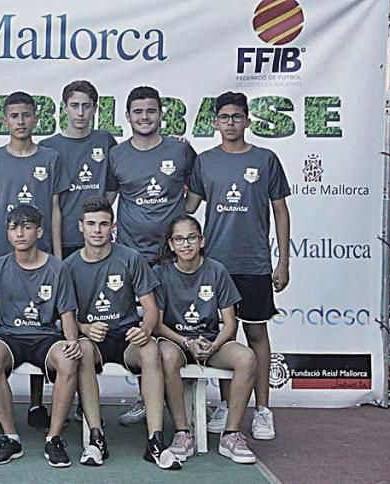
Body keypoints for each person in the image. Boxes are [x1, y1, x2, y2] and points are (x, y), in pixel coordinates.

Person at [186, 91, 290, 441]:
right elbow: (189, 206)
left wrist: (283, 262)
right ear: (215, 122)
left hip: (256, 264)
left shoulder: (266, 159)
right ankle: (228, 406)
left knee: (257, 335)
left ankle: (263, 410)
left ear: (246, 120)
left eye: (236, 117)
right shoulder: (204, 161)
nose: (230, 123)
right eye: (224, 117)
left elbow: (280, 211)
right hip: (216, 266)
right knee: (221, 336)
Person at [0, 91, 70, 429]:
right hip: (2, 253)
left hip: (40, 256)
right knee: (7, 327)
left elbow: (56, 210)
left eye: (26, 115)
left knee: (41, 324)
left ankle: (37, 404)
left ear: (36, 118)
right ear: (5, 121)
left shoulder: (51, 158)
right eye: (14, 116)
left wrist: (57, 256)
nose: (21, 122)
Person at [66, 196, 181, 470]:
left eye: (103, 224)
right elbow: (66, 317)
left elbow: (150, 308)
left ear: (112, 227)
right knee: (80, 349)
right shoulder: (68, 266)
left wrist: (145, 329)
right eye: (91, 224)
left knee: (151, 348)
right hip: (93, 340)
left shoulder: (130, 258)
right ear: (80, 226)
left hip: (127, 337)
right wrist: (84, 327)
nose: (97, 230)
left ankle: (155, 440)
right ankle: (96, 437)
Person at [105, 85, 196, 426]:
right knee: (142, 328)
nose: (145, 117)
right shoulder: (117, 155)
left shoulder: (181, 151)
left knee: (176, 324)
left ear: (161, 114)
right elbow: (110, 200)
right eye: (138, 112)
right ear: (128, 117)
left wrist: (177, 228)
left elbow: (195, 193)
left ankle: (184, 406)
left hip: (172, 259)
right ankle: (148, 399)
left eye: (151, 111)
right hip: (133, 257)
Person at [152, 215, 258, 464]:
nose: (186, 244)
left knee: (247, 357)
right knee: (165, 355)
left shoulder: (216, 270)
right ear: (171, 244)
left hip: (211, 342)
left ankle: (231, 434)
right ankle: (182, 433)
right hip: (177, 342)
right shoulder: (161, 272)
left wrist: (213, 345)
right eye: (179, 239)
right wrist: (186, 342)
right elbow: (156, 324)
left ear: (202, 241)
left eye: (191, 237)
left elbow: (230, 322)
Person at [0, 205, 81, 468]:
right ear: (7, 233)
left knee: (69, 360)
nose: (20, 234)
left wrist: (72, 341)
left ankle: (54, 438)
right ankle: (10, 437)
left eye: (26, 227)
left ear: (38, 231)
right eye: (14, 228)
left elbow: (67, 314)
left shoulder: (58, 268)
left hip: (45, 336)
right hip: (9, 336)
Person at [41, 80, 117, 260]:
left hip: (96, 237)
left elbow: (115, 183)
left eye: (86, 106)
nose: (81, 113)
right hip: (62, 238)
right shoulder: (48, 147)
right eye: (75, 106)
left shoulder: (105, 140)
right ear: (65, 108)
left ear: (95, 109)